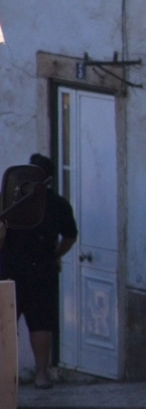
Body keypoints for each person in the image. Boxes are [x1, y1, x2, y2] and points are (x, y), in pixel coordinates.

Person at [0, 155, 77, 388]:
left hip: (8, 270)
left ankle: (5, 377)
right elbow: (71, 236)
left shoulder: (8, 201)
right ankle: (41, 375)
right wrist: (55, 255)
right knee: (41, 325)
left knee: (5, 325)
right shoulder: (58, 204)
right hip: (42, 270)